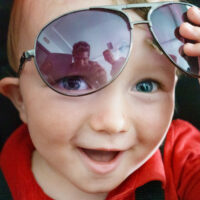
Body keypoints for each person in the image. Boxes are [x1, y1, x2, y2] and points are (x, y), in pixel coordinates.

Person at [0, 0, 200, 200]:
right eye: (73, 83)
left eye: (145, 86)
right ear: (20, 100)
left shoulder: (182, 159)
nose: (112, 123)